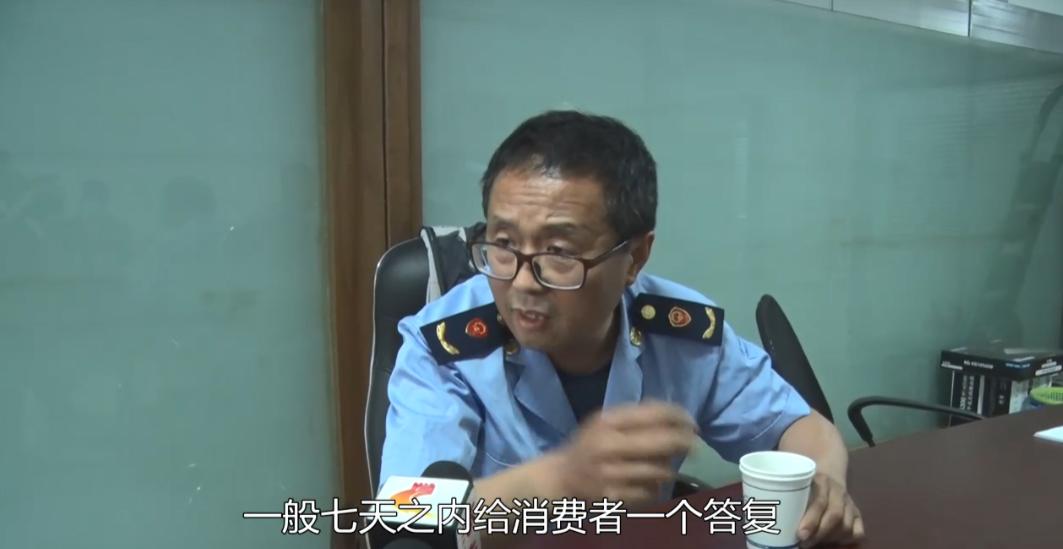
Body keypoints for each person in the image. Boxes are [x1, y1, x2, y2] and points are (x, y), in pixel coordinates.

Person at [379, 110, 864, 547]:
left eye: (559, 253)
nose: (522, 282)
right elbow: (401, 520)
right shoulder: (443, 347)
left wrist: (826, 485)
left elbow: (801, 426)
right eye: (502, 243)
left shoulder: (679, 333)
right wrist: (558, 480)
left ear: (634, 258)